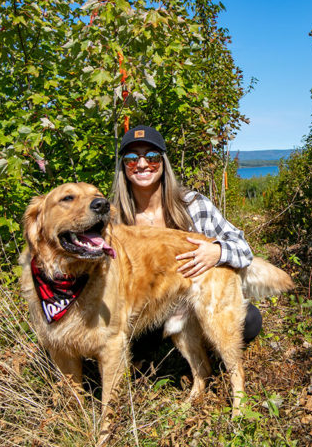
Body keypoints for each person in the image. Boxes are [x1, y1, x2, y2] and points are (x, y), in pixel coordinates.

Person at [110, 125, 262, 343]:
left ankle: (205, 342)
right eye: (131, 159)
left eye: (152, 157)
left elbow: (243, 249)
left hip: (194, 298)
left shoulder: (193, 205)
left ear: (163, 163)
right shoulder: (115, 220)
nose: (142, 164)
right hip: (144, 309)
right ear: (123, 167)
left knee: (249, 320)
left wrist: (217, 252)